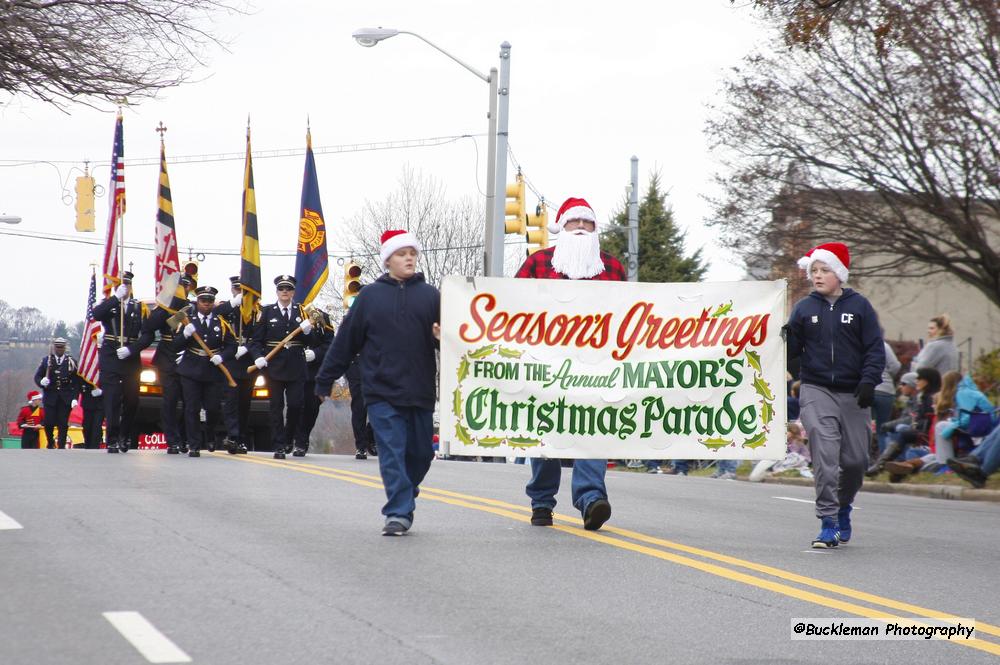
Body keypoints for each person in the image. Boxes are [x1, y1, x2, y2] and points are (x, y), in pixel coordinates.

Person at [315, 230, 440, 536]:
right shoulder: (370, 297)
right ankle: (398, 512)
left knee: (421, 454)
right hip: (381, 391)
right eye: (402, 253)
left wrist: (442, 338)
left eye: (412, 252)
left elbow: (456, 343)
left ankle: (407, 488)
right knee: (392, 451)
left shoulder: (432, 297)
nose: (409, 258)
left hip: (420, 391)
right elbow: (345, 341)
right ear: (388, 260)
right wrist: (324, 379)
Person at [514, 197, 625, 532]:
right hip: (548, 364)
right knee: (546, 432)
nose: (580, 228)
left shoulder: (612, 267)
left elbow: (632, 314)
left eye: (586, 223)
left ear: (595, 229)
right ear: (561, 229)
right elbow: (510, 305)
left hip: (596, 367)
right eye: (573, 223)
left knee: (593, 429)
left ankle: (592, 500)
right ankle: (542, 502)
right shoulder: (538, 263)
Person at [784, 242, 885, 548]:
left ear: (839, 273)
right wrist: (785, 341)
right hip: (816, 390)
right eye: (813, 270)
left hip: (854, 392)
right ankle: (827, 521)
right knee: (826, 456)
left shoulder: (860, 307)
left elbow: (874, 350)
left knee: (855, 462)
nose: (817, 275)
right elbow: (791, 353)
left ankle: (843, 507)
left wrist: (869, 381)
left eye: (824, 269)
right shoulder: (804, 308)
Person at [249, 275, 315, 460]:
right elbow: (256, 341)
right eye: (281, 289)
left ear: (293, 291)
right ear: (277, 292)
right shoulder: (267, 312)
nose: (285, 292)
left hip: (296, 366)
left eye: (288, 288)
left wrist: (308, 331)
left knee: (295, 405)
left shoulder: (302, 312)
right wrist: (258, 357)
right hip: (274, 366)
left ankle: (288, 438)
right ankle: (278, 445)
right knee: (276, 407)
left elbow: (311, 341)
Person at [175, 286, 237, 457]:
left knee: (213, 408)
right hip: (191, 369)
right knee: (192, 408)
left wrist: (222, 357)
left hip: (213, 370)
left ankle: (210, 434)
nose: (207, 304)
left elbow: (232, 346)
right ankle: (194, 444)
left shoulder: (221, 323)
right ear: (197, 302)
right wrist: (185, 335)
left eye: (210, 301)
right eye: (203, 301)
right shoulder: (187, 320)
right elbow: (174, 345)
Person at [138, 274, 196, 454]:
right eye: (179, 286)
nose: (182, 290)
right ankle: (173, 440)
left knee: (189, 402)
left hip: (188, 357)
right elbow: (148, 327)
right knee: (170, 401)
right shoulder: (163, 307)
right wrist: (165, 307)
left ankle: (186, 438)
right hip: (167, 356)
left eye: (185, 287)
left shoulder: (193, 309)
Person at [91, 271, 147, 453]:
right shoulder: (108, 304)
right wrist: (115, 298)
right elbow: (96, 314)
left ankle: (125, 436)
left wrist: (132, 349)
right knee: (112, 398)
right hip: (111, 356)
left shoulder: (140, 307)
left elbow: (147, 335)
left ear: (131, 286)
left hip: (130, 357)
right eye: (120, 285)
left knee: (132, 401)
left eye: (127, 285)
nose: (124, 287)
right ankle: (113, 439)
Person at [214, 275, 256, 455]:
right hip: (230, 360)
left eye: (244, 290)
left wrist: (247, 347)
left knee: (244, 403)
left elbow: (261, 334)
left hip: (247, 360)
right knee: (230, 400)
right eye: (237, 289)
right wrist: (233, 303)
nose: (240, 293)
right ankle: (233, 435)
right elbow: (212, 315)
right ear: (232, 290)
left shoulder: (257, 310)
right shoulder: (226, 307)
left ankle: (241, 438)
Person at [295, 308, 334, 456]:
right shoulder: (290, 315)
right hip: (294, 369)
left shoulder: (321, 316)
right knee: (295, 405)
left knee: (311, 407)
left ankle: (302, 438)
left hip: (313, 372)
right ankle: (294, 439)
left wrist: (316, 354)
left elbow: (330, 343)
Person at [33, 337, 81, 449]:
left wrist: (75, 397)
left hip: (65, 398)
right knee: (48, 422)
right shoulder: (47, 361)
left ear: (65, 348)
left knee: (63, 423)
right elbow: (37, 376)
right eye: (57, 347)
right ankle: (50, 441)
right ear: (54, 348)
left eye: (61, 347)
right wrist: (41, 381)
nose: (59, 350)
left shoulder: (71, 362)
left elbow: (76, 382)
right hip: (50, 396)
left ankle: (61, 445)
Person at [873, 339, 901, 454]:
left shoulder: (855, 344)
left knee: (860, 428)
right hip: (885, 390)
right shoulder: (883, 345)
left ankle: (862, 460)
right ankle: (882, 461)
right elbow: (895, 366)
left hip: (863, 388)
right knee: (882, 429)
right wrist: (887, 376)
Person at [345, 355, 376, 459]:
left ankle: (371, 434)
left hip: (379, 363)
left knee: (380, 405)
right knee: (359, 406)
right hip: (356, 363)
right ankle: (361, 446)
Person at [80, 383, 104, 449]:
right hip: (88, 400)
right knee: (87, 427)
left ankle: (95, 447)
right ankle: (88, 445)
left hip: (100, 403)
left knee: (97, 426)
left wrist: (103, 391)